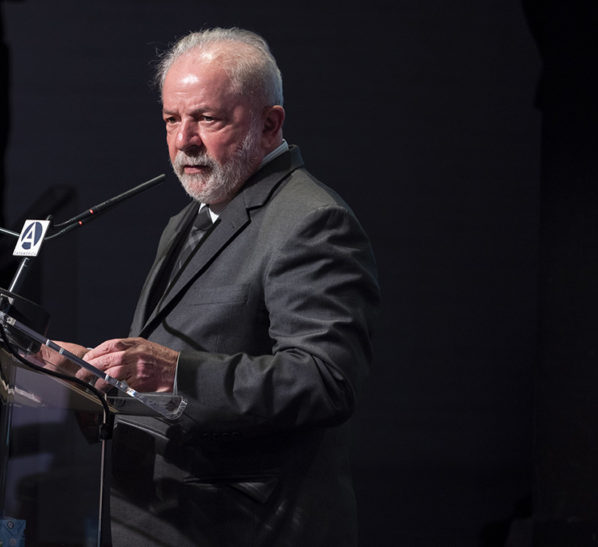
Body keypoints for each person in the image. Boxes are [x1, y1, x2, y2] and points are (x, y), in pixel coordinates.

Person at [50, 27, 380, 546]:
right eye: (172, 119)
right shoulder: (188, 220)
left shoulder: (311, 221)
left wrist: (175, 373)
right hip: (167, 520)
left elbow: (325, 380)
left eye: (207, 118)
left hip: (246, 529)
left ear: (269, 124)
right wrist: (95, 379)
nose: (184, 140)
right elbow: (164, 375)